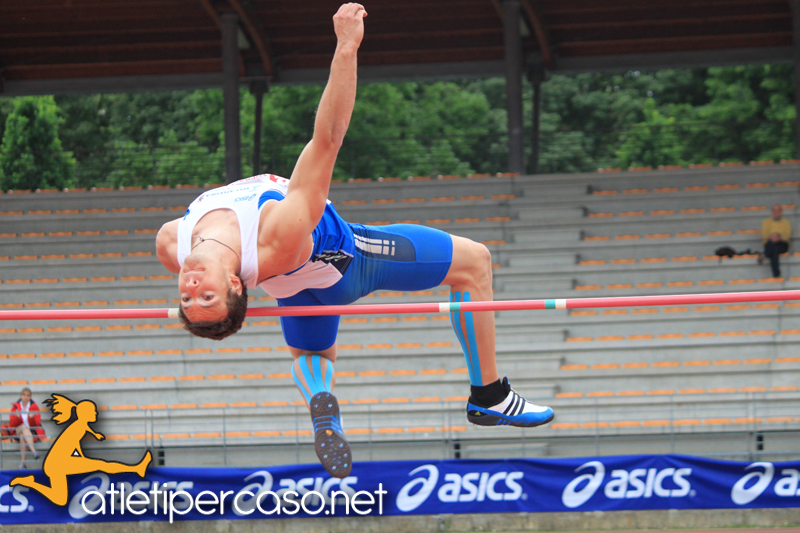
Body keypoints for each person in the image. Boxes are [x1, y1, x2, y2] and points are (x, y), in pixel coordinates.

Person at [156, 3, 553, 478]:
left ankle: (324, 407)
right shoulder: (274, 234)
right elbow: (327, 140)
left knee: (311, 352)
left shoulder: (170, 242)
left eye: (189, 296)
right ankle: (488, 395)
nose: (193, 283)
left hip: (295, 294)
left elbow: (204, 271)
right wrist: (347, 47)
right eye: (208, 295)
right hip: (349, 261)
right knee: (474, 262)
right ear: (237, 286)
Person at [10, 395, 151, 506]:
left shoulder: (79, 425)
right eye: (93, 411)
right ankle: (137, 468)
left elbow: (77, 440)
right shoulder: (79, 426)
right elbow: (77, 442)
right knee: (102, 465)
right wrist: (84, 459)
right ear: (85, 413)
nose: (96, 413)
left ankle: (29, 482)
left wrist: (93, 437)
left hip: (55, 464)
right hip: (58, 464)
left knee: (60, 500)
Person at [9, 387, 45, 468]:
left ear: (30, 397)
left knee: (23, 436)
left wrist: (32, 418)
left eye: (27, 395)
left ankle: (23, 463)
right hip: (17, 430)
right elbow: (12, 424)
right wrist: (17, 417)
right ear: (21, 396)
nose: (25, 397)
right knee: (23, 427)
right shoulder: (16, 407)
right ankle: (33, 451)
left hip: (30, 431)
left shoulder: (34, 407)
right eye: (24, 395)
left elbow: (37, 424)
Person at [759, 203, 792, 278]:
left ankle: (765, 254)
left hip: (782, 243)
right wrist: (772, 237)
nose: (776, 212)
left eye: (778, 210)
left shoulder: (786, 222)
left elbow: (787, 235)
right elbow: (764, 234)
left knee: (774, 247)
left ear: (781, 211)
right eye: (774, 210)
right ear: (772, 211)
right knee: (774, 249)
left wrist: (779, 237)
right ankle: (776, 275)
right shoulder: (766, 222)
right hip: (770, 242)